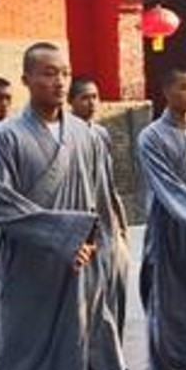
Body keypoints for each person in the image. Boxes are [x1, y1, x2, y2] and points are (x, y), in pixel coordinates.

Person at [0, 43, 126, 370]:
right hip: (30, 268)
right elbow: (1, 202)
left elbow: (100, 200)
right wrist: (66, 237)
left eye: (65, 73)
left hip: (83, 265)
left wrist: (97, 244)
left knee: (87, 347)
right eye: (48, 73)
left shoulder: (87, 136)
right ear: (26, 79)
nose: (60, 82)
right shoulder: (4, 138)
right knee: (27, 354)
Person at [136, 68, 186, 370]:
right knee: (166, 306)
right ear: (166, 92)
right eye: (183, 88)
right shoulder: (151, 137)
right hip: (169, 232)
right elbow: (167, 187)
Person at [68, 75, 130, 340]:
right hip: (82, 224)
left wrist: (120, 222)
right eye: (85, 97)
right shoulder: (67, 134)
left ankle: (114, 351)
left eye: (95, 97)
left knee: (116, 289)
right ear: (71, 102)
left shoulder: (101, 133)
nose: (92, 103)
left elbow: (109, 182)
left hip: (108, 224)